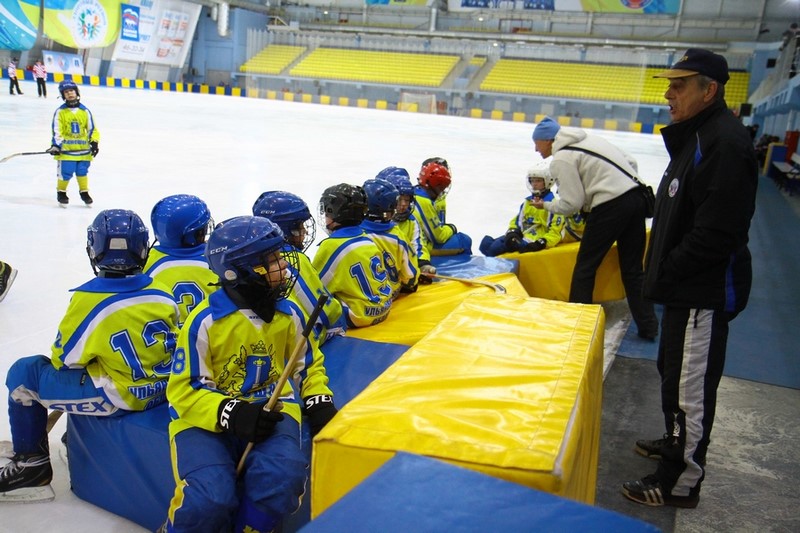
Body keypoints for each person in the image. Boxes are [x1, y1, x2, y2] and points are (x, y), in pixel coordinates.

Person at [622, 48, 757, 509]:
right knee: (673, 376)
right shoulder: (697, 136)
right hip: (683, 289)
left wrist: (667, 270)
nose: (668, 94)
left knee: (688, 390)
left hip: (701, 292)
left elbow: (718, 234)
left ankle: (679, 480)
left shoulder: (723, 144)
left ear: (709, 90)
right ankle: (673, 441)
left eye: (679, 86)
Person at [163, 215, 337, 532]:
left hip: (274, 408)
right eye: (271, 261)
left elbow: (307, 363)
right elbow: (183, 391)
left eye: (280, 257)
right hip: (202, 420)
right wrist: (232, 413)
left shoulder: (289, 312)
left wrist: (316, 399)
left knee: (283, 477)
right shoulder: (204, 322)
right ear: (239, 271)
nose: (283, 266)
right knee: (209, 498)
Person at [0, 210, 179, 500]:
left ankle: (31, 466)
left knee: (25, 372)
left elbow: (64, 360)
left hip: (125, 396)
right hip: (163, 387)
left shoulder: (89, 299)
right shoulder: (161, 290)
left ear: (94, 249)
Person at [531, 116, 659, 340]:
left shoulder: (561, 158)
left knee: (585, 267)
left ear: (548, 140)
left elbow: (572, 203)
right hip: (636, 199)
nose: (535, 148)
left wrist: (546, 205)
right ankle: (648, 327)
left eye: (537, 143)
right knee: (633, 269)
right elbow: (630, 161)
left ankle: (577, 327)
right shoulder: (591, 140)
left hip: (609, 207)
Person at [252, 190, 346, 344]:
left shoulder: (252, 259)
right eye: (299, 227)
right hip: (295, 344)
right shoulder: (294, 260)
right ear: (284, 230)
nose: (305, 231)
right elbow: (326, 313)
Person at [313, 183, 393, 327]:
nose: (325, 216)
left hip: (359, 315)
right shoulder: (368, 239)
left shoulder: (332, 246)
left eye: (327, 212)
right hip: (384, 308)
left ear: (335, 214)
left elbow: (315, 287)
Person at [144, 194, 218, 328]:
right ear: (192, 235)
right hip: (208, 338)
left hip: (165, 340)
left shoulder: (147, 261)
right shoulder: (217, 259)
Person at [479, 159, 566, 257]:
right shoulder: (528, 202)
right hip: (522, 238)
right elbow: (517, 221)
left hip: (532, 242)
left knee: (494, 249)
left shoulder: (553, 206)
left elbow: (555, 233)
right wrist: (513, 232)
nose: (534, 184)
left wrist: (540, 243)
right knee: (485, 244)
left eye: (538, 180)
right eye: (532, 181)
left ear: (547, 181)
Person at [45, 80, 100, 207]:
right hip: (67, 151)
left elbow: (92, 129)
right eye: (66, 92)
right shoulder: (60, 112)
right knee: (66, 172)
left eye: (71, 90)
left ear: (76, 92)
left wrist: (94, 142)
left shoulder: (85, 111)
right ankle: (61, 192)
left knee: (82, 171)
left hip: (83, 150)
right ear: (63, 95)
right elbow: (57, 130)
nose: (69, 94)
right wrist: (56, 145)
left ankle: (84, 192)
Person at [361, 178, 419, 296]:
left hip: (361, 298)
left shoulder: (353, 234)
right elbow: (410, 277)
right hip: (389, 296)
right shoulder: (397, 236)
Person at [377, 166, 434, 284]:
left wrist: (423, 264)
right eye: (399, 200)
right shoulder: (377, 220)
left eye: (407, 200)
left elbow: (417, 245)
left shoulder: (411, 221)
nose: (403, 205)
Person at [413, 161, 472, 256]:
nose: (442, 192)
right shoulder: (424, 201)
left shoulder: (414, 192)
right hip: (421, 247)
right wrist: (452, 228)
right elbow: (438, 237)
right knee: (464, 240)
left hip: (412, 244)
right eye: (441, 188)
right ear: (434, 185)